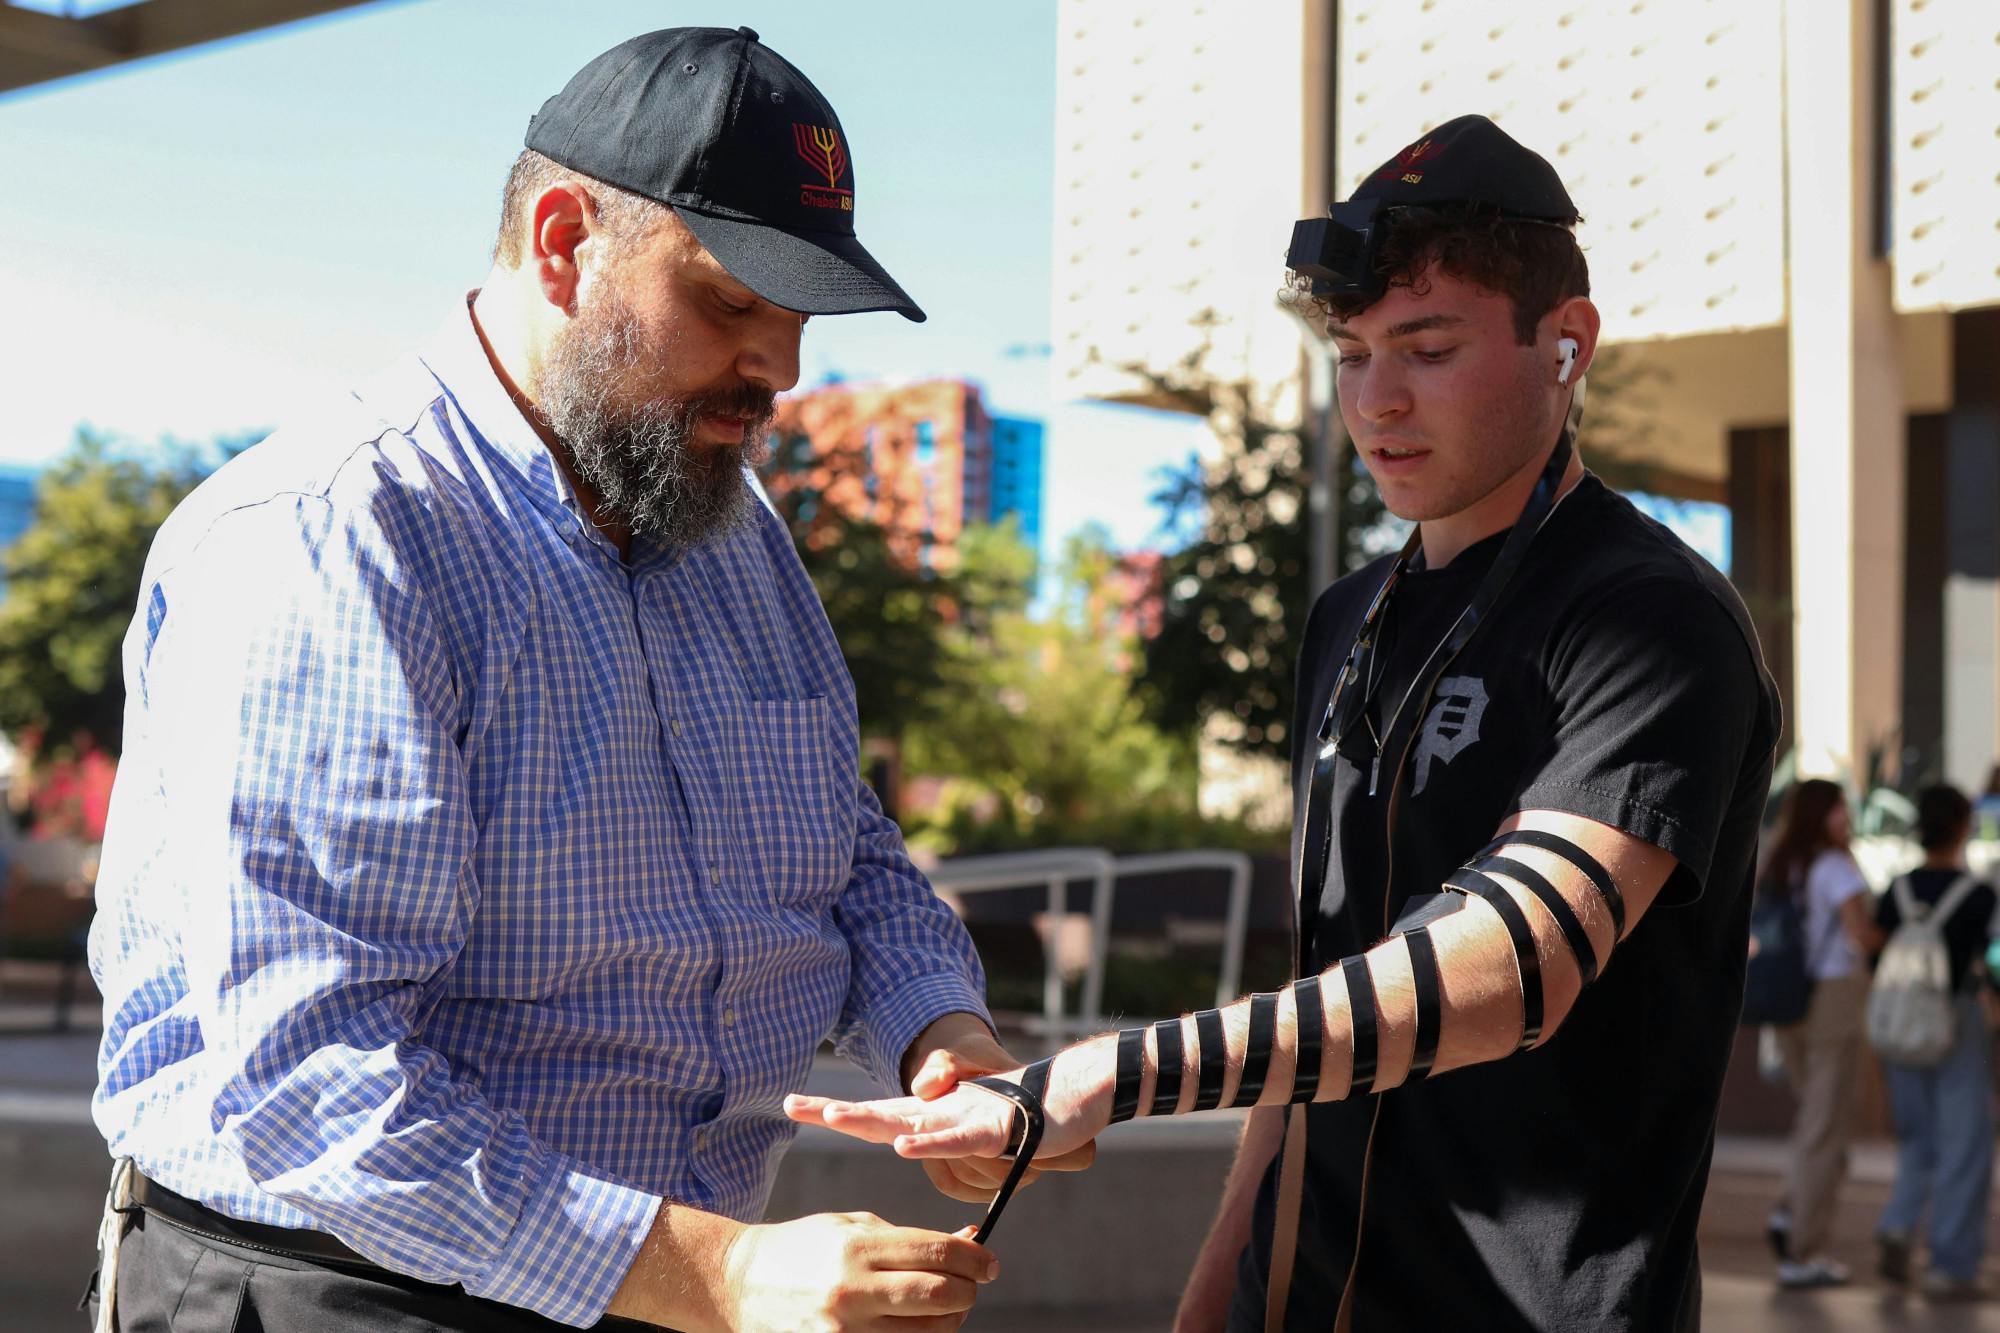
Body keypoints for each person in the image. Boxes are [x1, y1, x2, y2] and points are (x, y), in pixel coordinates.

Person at [84, 27, 1085, 1333]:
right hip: (346, 1289)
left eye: (798, 321)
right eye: (733, 302)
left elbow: (839, 847)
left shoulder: (732, 527)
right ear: (563, 243)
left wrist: (943, 1040)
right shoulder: (331, 536)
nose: (780, 370)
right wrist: (721, 1274)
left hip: (662, 1284)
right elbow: (311, 1081)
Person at [788, 114, 1783, 1330]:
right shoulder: (1347, 617)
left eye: (1426, 347)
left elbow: (1511, 969)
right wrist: (1211, 1300)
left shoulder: (1649, 616)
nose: (1377, 402)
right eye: (1351, 354)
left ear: (1564, 344)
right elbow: (1319, 1005)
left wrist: (1106, 1072)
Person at [1870, 783, 1996, 1300]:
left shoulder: (1896, 890)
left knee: (1918, 1138)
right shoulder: (1980, 894)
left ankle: (1898, 1224)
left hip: (1899, 1025)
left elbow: (1875, 953)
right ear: (1963, 826)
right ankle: (1952, 1264)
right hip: (1955, 1020)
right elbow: (1989, 963)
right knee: (1965, 1143)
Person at [1760, 778, 1882, 1287]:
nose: (1847, 817)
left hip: (1785, 1000)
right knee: (1825, 1125)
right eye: (1841, 808)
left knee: (1816, 1117)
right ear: (1824, 814)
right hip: (1831, 997)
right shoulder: (1834, 866)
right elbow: (1862, 934)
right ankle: (1801, 1250)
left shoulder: (1780, 862)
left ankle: (1790, 1211)